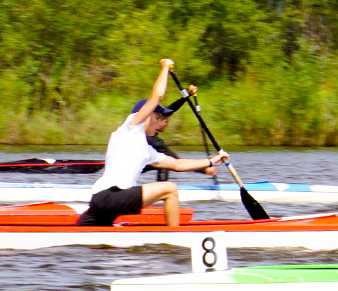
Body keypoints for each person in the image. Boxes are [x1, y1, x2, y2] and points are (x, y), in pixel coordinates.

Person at [77, 60, 227, 227]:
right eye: (157, 118)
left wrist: (211, 161)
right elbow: (157, 96)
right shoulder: (131, 127)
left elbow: (177, 164)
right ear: (145, 115)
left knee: (81, 236)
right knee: (170, 189)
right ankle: (175, 237)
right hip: (110, 195)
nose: (159, 123)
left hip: (105, 201)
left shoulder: (147, 151)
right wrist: (164, 68)